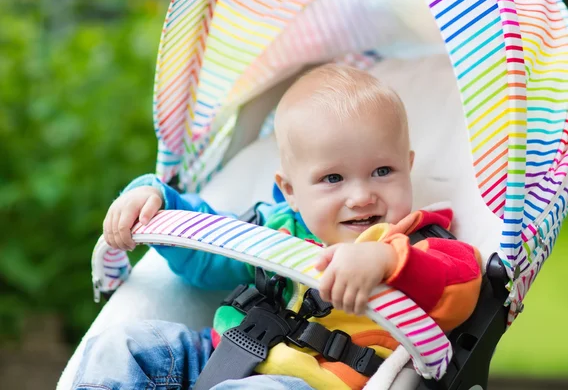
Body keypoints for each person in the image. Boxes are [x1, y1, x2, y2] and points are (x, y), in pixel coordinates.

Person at [73, 64, 482, 390]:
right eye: (333, 179)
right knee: (120, 348)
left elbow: (459, 286)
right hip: (214, 357)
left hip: (308, 382)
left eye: (382, 171)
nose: (361, 196)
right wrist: (156, 200)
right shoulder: (276, 229)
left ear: (407, 168)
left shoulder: (416, 242)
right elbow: (204, 256)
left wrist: (383, 261)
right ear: (289, 190)